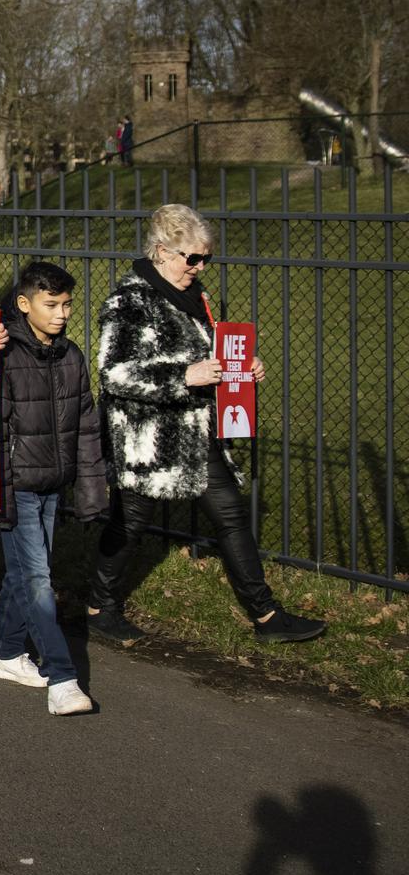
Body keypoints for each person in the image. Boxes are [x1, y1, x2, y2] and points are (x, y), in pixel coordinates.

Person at [87, 204, 325, 646]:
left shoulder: (196, 299)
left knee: (232, 516)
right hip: (147, 439)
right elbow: (114, 373)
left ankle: (266, 615)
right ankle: (101, 608)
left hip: (197, 433)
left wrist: (241, 368)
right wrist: (184, 377)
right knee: (130, 522)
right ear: (161, 252)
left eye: (205, 258)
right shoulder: (130, 301)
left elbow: (210, 357)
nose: (198, 267)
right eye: (190, 258)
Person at [0, 262, 106, 716]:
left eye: (67, 304)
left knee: (22, 574)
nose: (61, 314)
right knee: (38, 579)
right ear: (24, 304)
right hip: (17, 486)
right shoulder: (1, 352)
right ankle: (63, 677)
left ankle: (3, 650)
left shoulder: (70, 355)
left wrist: (92, 489)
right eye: (51, 304)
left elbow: (86, 425)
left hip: (53, 487)